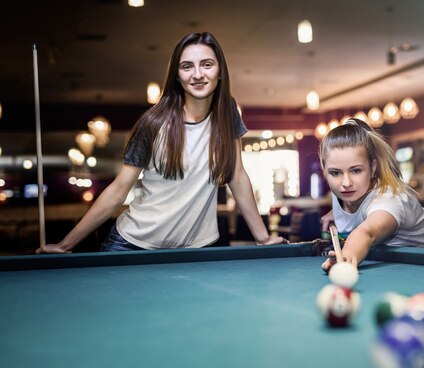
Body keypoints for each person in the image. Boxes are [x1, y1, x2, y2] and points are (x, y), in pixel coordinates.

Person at [37, 32, 285, 253]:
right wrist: (65, 245)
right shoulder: (153, 123)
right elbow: (117, 190)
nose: (198, 74)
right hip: (131, 245)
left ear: (220, 71)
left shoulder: (227, 111)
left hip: (195, 249)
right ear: (177, 76)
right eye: (187, 67)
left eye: (207, 64)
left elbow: (237, 176)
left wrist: (263, 238)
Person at [319, 118, 424, 271]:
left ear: (372, 167)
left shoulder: (390, 198)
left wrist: (346, 257)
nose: (346, 182)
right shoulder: (344, 192)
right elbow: (359, 210)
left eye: (356, 170)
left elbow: (367, 232)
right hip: (392, 268)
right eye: (336, 172)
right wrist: (336, 212)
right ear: (324, 170)